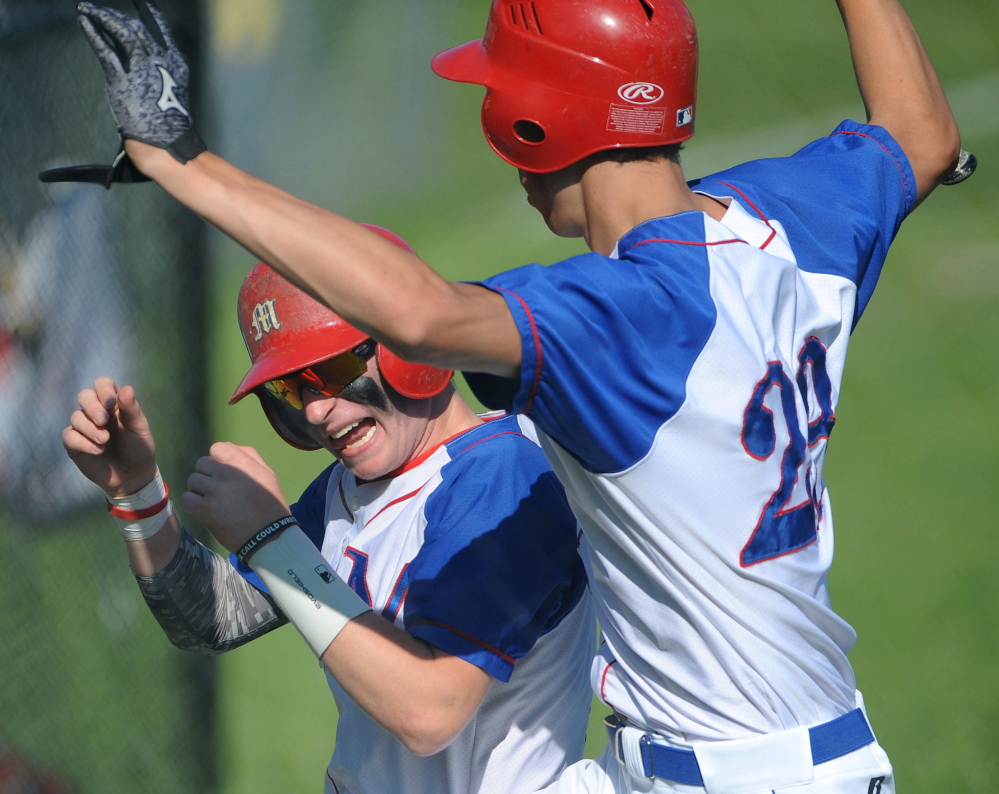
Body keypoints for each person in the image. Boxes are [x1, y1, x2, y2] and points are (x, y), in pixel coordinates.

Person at [51, 0, 973, 791]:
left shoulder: (621, 318)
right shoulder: (785, 224)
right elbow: (920, 138)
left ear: (542, 119)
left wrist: (187, 165)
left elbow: (413, 312)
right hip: (751, 755)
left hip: (738, 771)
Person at [61, 229, 596, 794]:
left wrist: (270, 539)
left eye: (333, 370)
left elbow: (429, 712)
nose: (317, 410)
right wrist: (137, 493)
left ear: (404, 340)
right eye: (291, 389)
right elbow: (210, 619)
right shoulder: (345, 490)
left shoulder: (501, 476)